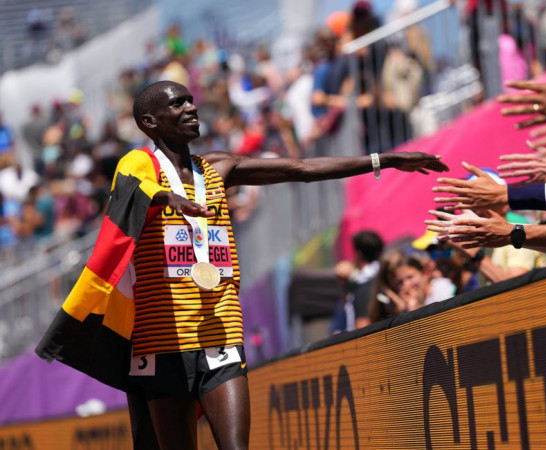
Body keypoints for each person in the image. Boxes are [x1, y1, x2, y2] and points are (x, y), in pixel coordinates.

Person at [36, 80, 447, 450]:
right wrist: (166, 199)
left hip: (221, 330)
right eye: (177, 103)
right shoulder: (139, 165)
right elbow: (129, 189)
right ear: (150, 121)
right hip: (162, 340)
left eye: (191, 100)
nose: (190, 107)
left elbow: (300, 169)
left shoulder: (218, 167)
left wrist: (383, 160)